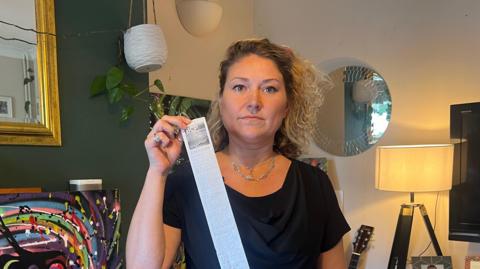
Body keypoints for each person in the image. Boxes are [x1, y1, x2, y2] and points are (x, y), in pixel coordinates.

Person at [126, 38, 350, 268]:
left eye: (269, 88)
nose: (254, 101)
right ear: (222, 102)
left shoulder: (315, 185)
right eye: (240, 87)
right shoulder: (186, 181)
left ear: (286, 107)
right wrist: (157, 172)